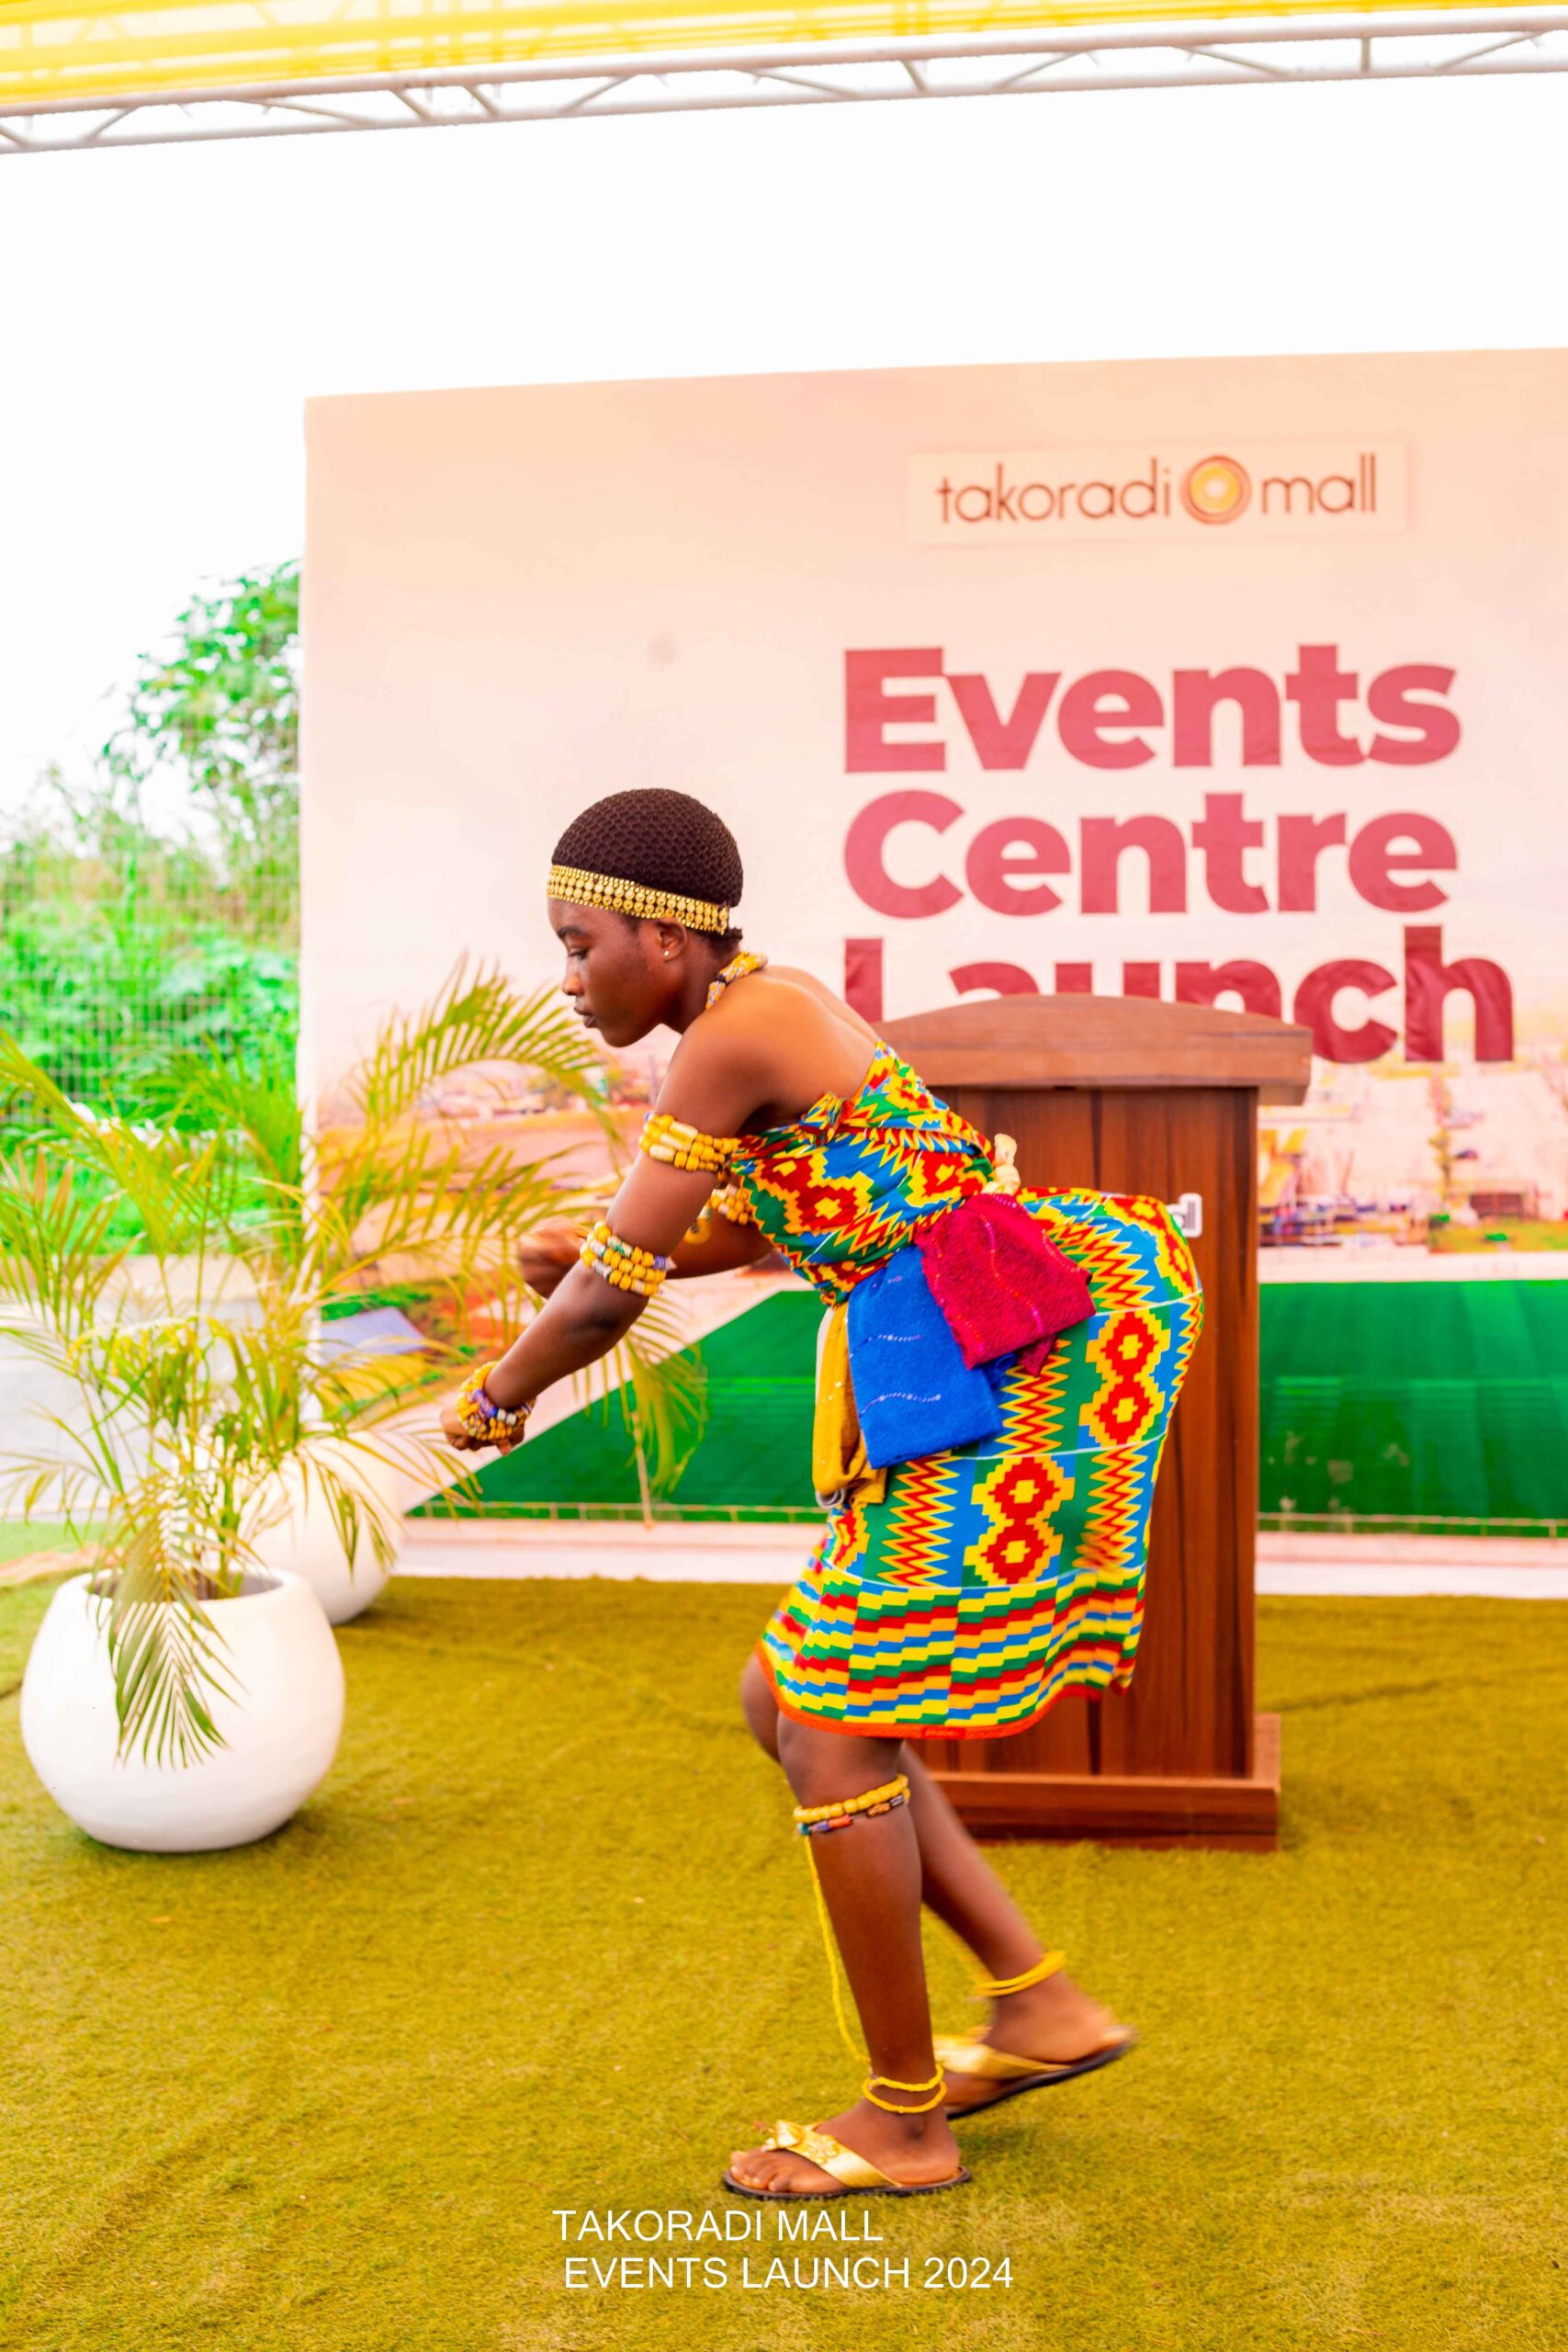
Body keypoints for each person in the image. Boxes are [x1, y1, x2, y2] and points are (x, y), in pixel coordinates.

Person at [441, 787, 1200, 2201]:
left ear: (665, 940)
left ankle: (904, 2123)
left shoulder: (727, 1038)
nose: (567, 974)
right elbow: (781, 1215)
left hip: (1014, 1369)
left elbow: (616, 1298)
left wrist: (500, 1392)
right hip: (981, 1349)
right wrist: (602, 1252)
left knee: (835, 1733)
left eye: (580, 940)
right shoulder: (759, 1013)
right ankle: (1036, 2003)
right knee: (783, 1705)